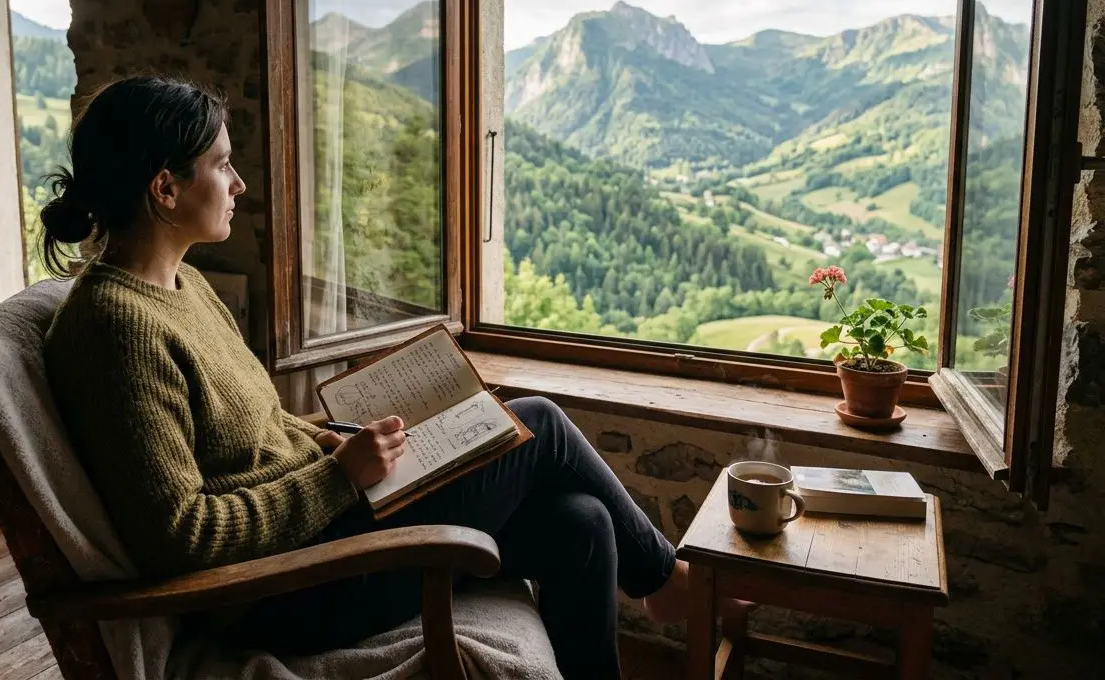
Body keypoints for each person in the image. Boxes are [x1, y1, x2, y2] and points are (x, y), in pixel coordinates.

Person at [42, 76, 739, 679]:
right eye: (223, 166)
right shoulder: (115, 328)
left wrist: (347, 441)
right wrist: (340, 475)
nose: (239, 183)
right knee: (543, 424)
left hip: (325, 527)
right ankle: (666, 582)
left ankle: (645, 600)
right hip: (282, 588)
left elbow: (256, 431)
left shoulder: (181, 284)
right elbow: (180, 535)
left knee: (581, 523)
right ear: (165, 188)